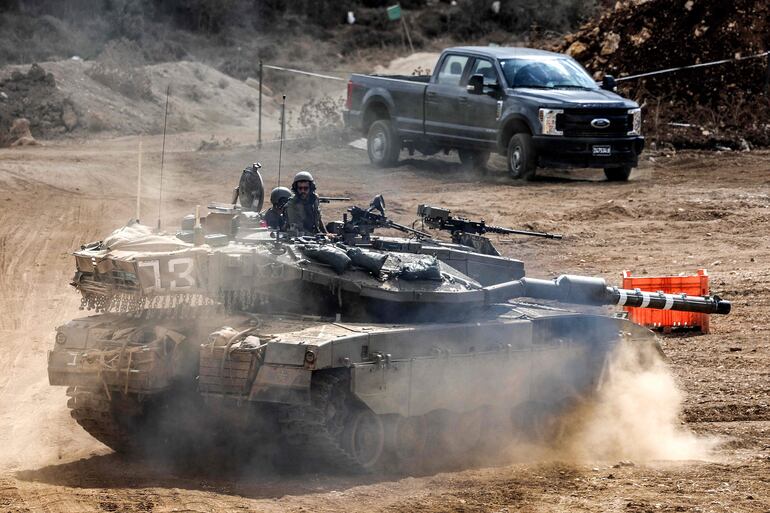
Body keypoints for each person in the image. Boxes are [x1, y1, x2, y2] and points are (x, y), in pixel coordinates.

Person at [285, 171, 326, 235]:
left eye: (305, 188)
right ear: (296, 189)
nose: (302, 191)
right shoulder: (292, 203)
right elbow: (297, 227)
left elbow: (319, 220)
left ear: (311, 188)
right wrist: (317, 236)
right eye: (300, 188)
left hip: (315, 236)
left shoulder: (314, 199)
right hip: (297, 236)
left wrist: (326, 233)